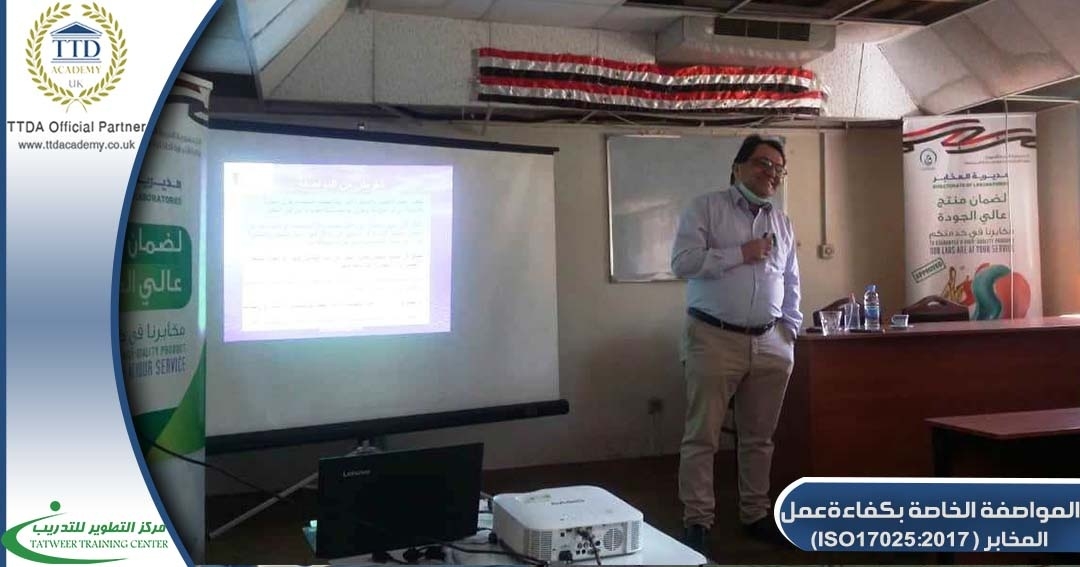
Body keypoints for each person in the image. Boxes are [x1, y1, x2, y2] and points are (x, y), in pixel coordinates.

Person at [670, 134, 802, 552]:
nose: (771, 173)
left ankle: (755, 514)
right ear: (738, 167)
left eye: (778, 168)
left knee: (759, 438)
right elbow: (683, 263)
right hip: (713, 338)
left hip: (771, 342)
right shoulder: (706, 208)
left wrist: (789, 330)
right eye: (763, 163)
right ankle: (697, 521)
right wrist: (740, 253)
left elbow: (791, 281)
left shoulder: (782, 223)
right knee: (702, 437)